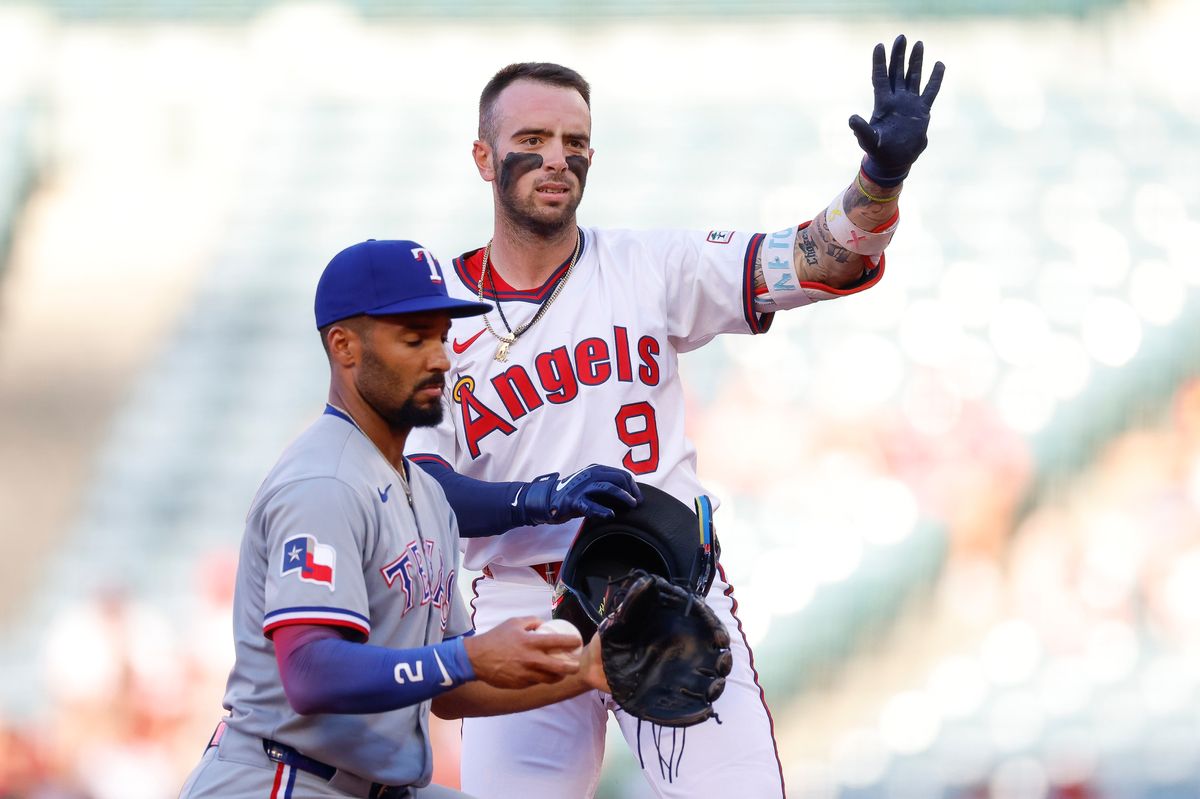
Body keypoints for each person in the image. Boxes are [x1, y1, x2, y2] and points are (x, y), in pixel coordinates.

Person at [406, 35, 945, 798]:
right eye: (532, 140)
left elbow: (816, 260)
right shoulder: (439, 319)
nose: (558, 157)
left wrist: (881, 176)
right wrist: (544, 497)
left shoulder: (647, 265)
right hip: (522, 603)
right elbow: (423, 490)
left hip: (663, 584)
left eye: (575, 142)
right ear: (485, 158)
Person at [178, 239, 628, 799]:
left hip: (378, 786)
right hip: (285, 779)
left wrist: (586, 670)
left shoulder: (428, 494)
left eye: (442, 338)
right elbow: (311, 674)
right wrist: (467, 656)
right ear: (344, 346)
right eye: (413, 339)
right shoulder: (325, 482)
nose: (440, 358)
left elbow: (447, 688)